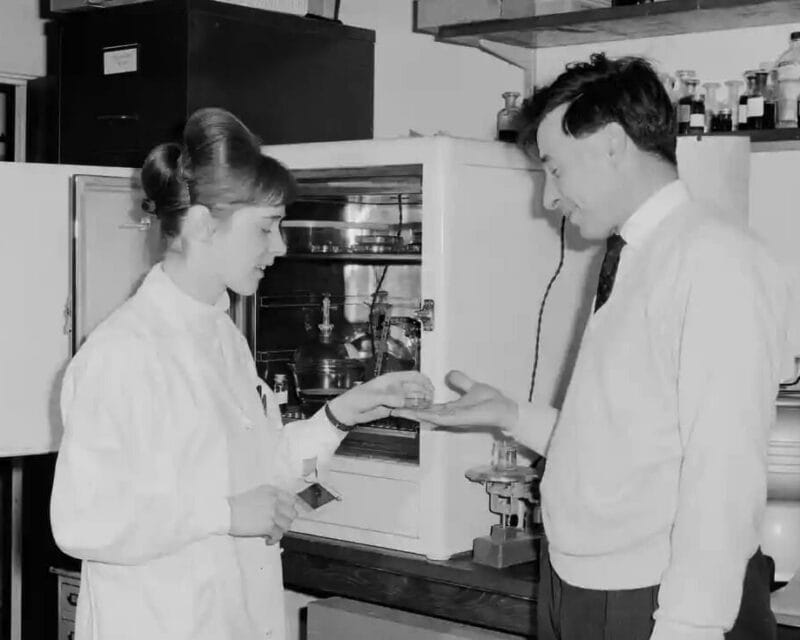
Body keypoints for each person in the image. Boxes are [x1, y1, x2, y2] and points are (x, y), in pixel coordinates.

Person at [396, 54, 787, 640]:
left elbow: (724, 471)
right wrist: (511, 415)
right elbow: (629, 443)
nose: (548, 198)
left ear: (610, 144)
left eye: (554, 168)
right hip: (582, 584)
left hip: (659, 601)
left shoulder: (713, 259)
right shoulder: (632, 256)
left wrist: (689, 627)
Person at [50, 107, 433, 640]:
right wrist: (224, 513)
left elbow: (261, 475)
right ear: (205, 224)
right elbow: (83, 521)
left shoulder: (222, 335)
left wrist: (341, 415)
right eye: (266, 227)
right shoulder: (124, 353)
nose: (279, 247)